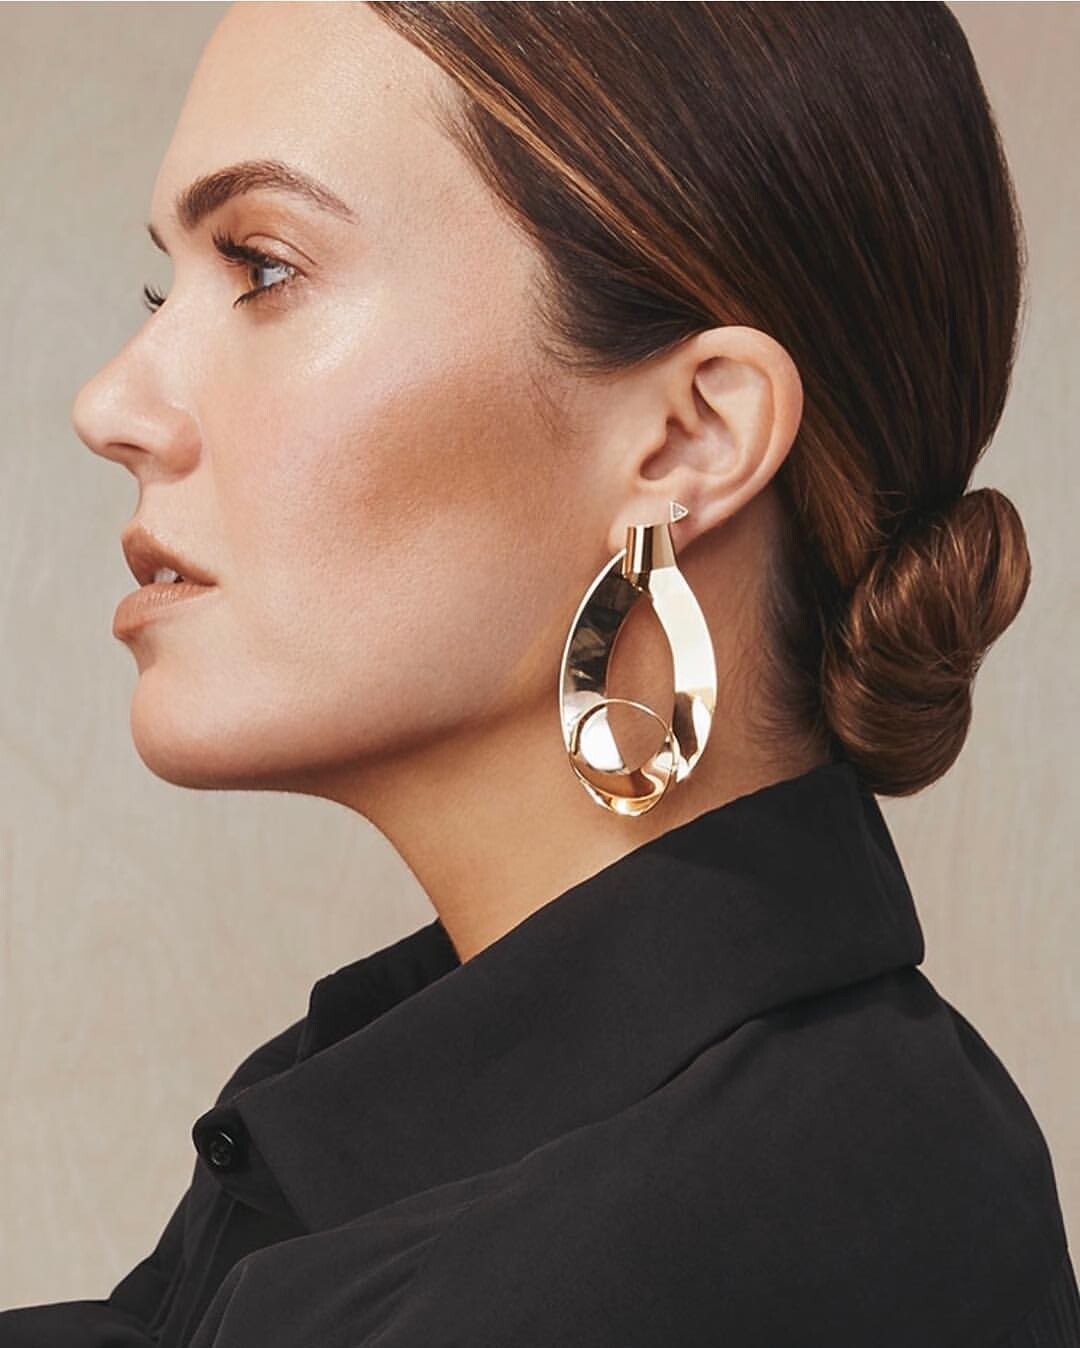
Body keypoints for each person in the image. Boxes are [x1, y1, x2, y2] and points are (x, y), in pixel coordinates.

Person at [3, 2, 1077, 1344]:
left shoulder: (661, 1266)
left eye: (264, 268)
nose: (112, 406)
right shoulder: (515, 1157)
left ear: (688, 439)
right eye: (165, 291)